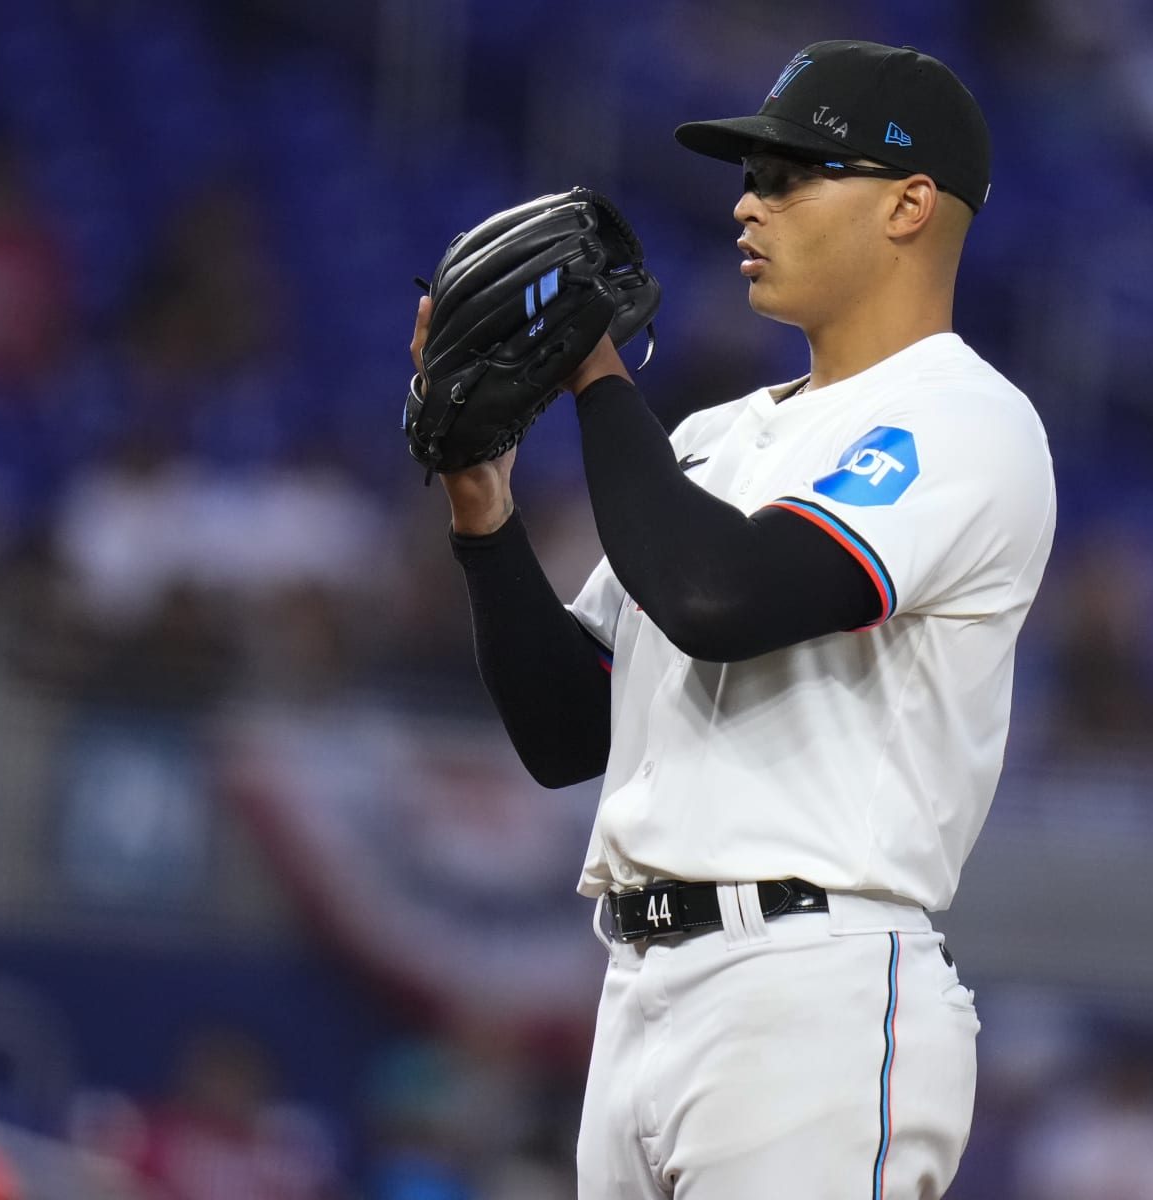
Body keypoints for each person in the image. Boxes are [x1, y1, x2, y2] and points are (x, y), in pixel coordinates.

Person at [412, 40, 1056, 1197]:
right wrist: (484, 515)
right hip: (638, 991)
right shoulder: (715, 438)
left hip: (813, 990)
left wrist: (594, 372)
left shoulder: (966, 419)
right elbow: (567, 732)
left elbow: (723, 598)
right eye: (752, 173)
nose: (745, 202)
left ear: (911, 203)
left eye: (791, 173)